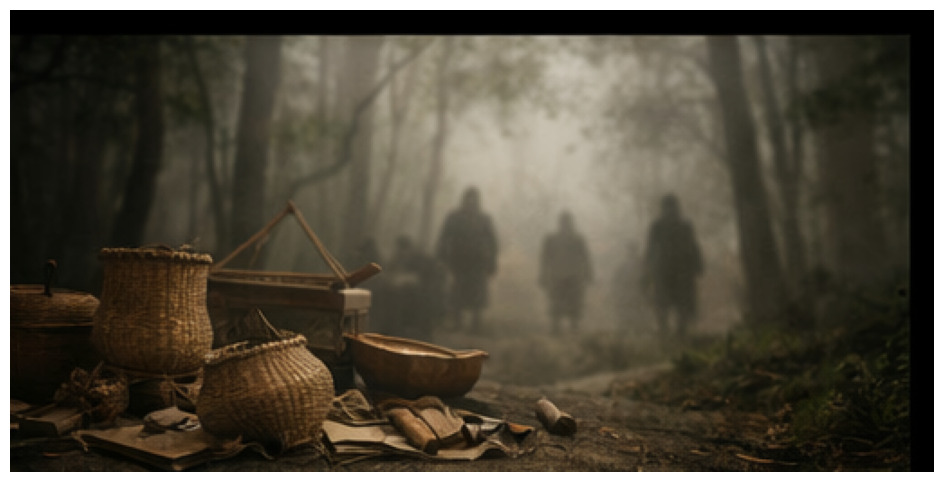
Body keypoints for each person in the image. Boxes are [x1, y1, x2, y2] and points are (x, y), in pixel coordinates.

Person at [435, 187, 498, 333]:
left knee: (478, 293)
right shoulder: (454, 217)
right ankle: (457, 322)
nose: (471, 202)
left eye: (474, 198)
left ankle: (476, 324)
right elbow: (444, 238)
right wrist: (441, 257)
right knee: (458, 292)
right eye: (469, 198)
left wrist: (492, 262)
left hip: (478, 262)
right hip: (459, 261)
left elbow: (493, 242)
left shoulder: (484, 219)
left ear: (478, 201)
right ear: (464, 199)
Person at [642, 194, 704, 340]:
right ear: (663, 209)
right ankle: (664, 333)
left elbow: (693, 246)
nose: (670, 211)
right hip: (663, 271)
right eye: (667, 207)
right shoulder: (656, 227)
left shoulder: (685, 226)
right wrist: (647, 270)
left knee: (683, 304)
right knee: (662, 304)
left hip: (682, 272)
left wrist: (698, 264)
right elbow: (650, 249)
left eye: (672, 207)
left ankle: (680, 333)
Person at [539, 210, 594, 334]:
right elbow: (545, 259)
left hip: (573, 277)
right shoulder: (551, 239)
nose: (566, 225)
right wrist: (543, 275)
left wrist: (589, 273)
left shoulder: (578, 239)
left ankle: (573, 327)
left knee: (574, 304)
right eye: (564, 222)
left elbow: (585, 257)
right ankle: (556, 328)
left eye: (567, 222)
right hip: (557, 277)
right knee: (556, 304)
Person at [386, 235, 448, 341]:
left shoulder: (421, 260)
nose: (401, 252)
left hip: (425, 296)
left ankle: (419, 331)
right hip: (413, 294)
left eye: (403, 250)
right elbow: (391, 273)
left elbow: (429, 279)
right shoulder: (399, 258)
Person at [611, 240, 648, 335]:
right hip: (632, 292)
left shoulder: (627, 265)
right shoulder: (640, 264)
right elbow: (616, 280)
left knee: (633, 311)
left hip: (633, 292)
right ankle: (633, 330)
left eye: (631, 250)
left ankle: (633, 330)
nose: (630, 252)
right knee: (633, 311)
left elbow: (616, 280)